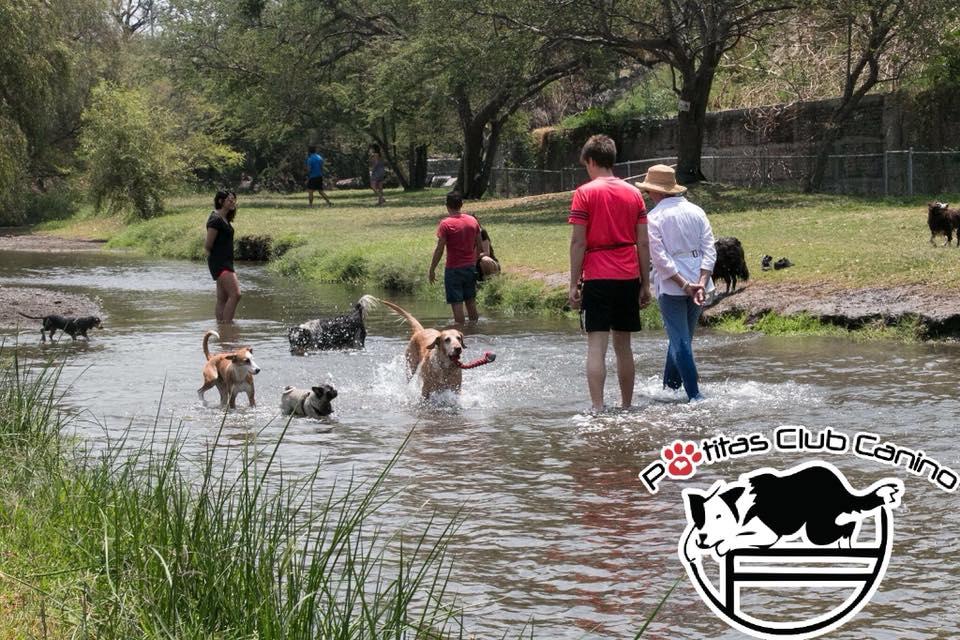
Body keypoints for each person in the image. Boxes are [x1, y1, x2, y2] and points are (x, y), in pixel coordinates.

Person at [567, 134, 651, 413]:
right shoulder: (634, 193)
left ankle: (597, 407)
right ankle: (626, 405)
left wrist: (573, 284)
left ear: (591, 161)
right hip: (628, 275)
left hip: (598, 274)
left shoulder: (584, 193)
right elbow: (643, 241)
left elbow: (579, 242)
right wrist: (645, 284)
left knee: (596, 346)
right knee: (623, 347)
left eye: (586, 165)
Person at [637, 164, 716, 402]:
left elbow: (660, 260)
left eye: (649, 191)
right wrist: (700, 282)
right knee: (682, 338)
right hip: (699, 282)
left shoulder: (654, 218)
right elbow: (709, 249)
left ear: (656, 192)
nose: (648, 196)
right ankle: (669, 388)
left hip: (674, 286)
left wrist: (683, 285)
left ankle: (694, 395)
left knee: (680, 340)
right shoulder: (697, 211)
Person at [429, 192, 482, 324]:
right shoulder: (472, 221)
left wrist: (432, 268)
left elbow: (440, 249)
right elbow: (479, 246)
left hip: (453, 270)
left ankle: (460, 334)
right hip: (470, 268)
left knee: (457, 305)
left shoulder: (445, 224)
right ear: (461, 205)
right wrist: (474, 263)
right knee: (471, 302)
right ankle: (475, 332)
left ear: (447, 206)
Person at [205, 190, 242, 324]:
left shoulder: (223, 218)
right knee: (236, 294)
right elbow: (208, 245)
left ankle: (221, 328)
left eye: (234, 200)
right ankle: (227, 327)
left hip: (225, 262)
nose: (233, 202)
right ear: (221, 201)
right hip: (220, 264)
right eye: (229, 200)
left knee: (223, 298)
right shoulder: (215, 219)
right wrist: (218, 261)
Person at [472, 215, 500, 281]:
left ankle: (491, 280)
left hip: (486, 261)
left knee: (485, 260)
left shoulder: (482, 233)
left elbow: (486, 253)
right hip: (472, 262)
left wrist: (473, 257)